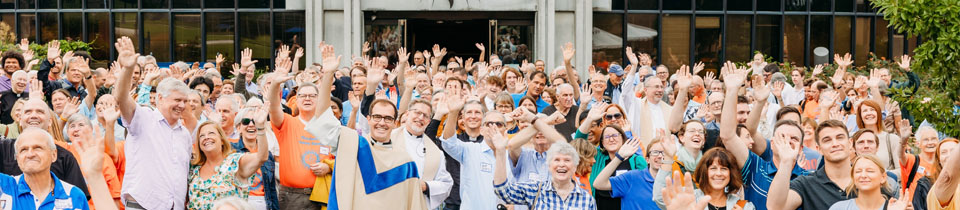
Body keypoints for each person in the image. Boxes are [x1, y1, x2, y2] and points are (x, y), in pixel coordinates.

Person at [113, 36, 198, 210]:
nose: (181, 105)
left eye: (184, 101)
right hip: (142, 205)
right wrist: (128, 69)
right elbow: (121, 98)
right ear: (160, 98)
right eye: (177, 100)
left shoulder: (184, 134)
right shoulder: (144, 118)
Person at [767, 120, 892, 210]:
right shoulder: (806, 184)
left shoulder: (871, 179)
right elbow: (775, 207)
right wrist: (786, 162)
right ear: (818, 148)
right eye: (827, 140)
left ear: (850, 143)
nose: (835, 144)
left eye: (840, 137)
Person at [187, 118, 269, 210]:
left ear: (222, 140)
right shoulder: (194, 170)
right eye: (202, 136)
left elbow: (262, 157)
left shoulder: (234, 162)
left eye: (211, 133)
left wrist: (260, 127)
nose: (206, 137)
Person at [493, 138, 597, 210]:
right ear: (549, 165)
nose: (561, 164)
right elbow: (503, 191)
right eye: (556, 160)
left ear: (575, 166)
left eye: (567, 160)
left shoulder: (587, 200)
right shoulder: (535, 191)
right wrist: (501, 152)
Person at [12, 128, 89, 210]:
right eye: (23, 150)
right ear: (17, 158)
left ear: (54, 155)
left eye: (38, 148)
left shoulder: (74, 195)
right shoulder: (4, 188)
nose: (30, 154)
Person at [654, 147, 755, 210]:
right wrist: (668, 157)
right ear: (704, 172)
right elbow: (660, 197)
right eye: (713, 168)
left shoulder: (745, 207)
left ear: (731, 173)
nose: (719, 173)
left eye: (724, 168)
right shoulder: (688, 198)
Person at [592, 135, 663, 209]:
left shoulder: (673, 184)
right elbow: (599, 184)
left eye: (665, 153)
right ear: (647, 159)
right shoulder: (632, 178)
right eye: (655, 152)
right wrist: (619, 157)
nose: (660, 156)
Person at [588, 124, 647, 209]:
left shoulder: (637, 160)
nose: (611, 139)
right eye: (607, 137)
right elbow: (579, 140)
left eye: (615, 135)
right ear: (603, 143)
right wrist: (589, 119)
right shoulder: (598, 158)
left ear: (623, 139)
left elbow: (644, 188)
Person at [230, 107, 278, 210]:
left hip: (264, 204)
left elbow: (272, 189)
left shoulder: (267, 154)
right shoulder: (231, 151)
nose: (251, 125)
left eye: (255, 121)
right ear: (238, 128)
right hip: (239, 204)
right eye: (246, 122)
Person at [829, 155, 912, 210]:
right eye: (858, 171)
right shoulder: (839, 208)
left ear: (883, 177)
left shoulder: (898, 208)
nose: (863, 175)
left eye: (870, 171)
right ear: (853, 178)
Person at [927, 138, 960, 210]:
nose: (949, 155)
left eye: (953, 151)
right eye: (944, 152)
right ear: (938, 159)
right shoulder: (932, 185)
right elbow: (948, 177)